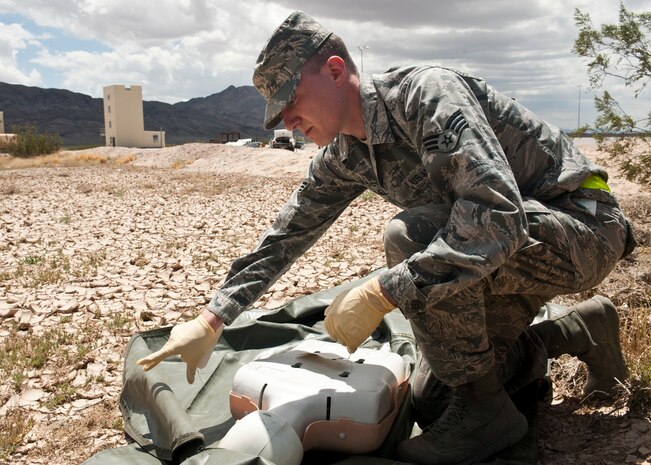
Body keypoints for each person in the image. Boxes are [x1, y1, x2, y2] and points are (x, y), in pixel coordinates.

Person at [137, 11, 635, 465]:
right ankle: (576, 331)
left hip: (583, 226)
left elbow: (495, 215)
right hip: (508, 254)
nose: (286, 121)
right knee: (431, 399)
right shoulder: (346, 154)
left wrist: (383, 292)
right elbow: (288, 234)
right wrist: (212, 317)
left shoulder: (426, 96)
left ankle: (486, 415)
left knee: (409, 234)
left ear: (335, 70)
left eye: (291, 101)